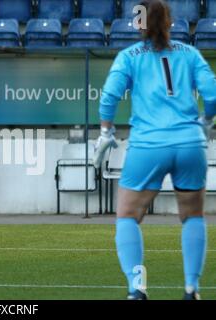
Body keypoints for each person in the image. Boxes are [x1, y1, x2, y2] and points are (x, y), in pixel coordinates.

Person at [93, 0, 216, 300]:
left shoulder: (128, 56)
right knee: (192, 215)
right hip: (189, 143)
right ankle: (191, 289)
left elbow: (109, 97)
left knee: (127, 215)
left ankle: (137, 288)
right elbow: (212, 93)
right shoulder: (190, 53)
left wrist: (105, 132)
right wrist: (205, 121)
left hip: (148, 144)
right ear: (170, 23)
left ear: (138, 24)